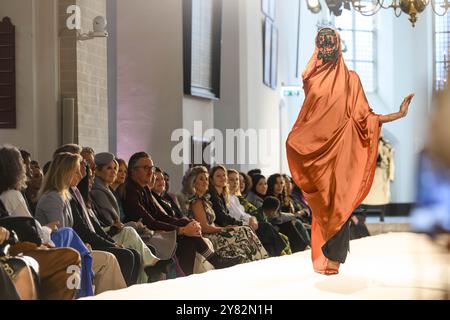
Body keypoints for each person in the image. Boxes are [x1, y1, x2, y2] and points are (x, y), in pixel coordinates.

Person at [286, 27, 414, 275]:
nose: (327, 47)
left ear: (339, 45)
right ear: (317, 45)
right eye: (322, 43)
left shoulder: (351, 79)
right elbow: (311, 115)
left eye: (331, 42)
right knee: (324, 202)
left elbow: (365, 117)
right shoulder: (310, 76)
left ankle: (334, 258)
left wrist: (397, 114)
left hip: (342, 150)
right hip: (315, 151)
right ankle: (329, 254)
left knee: (340, 201)